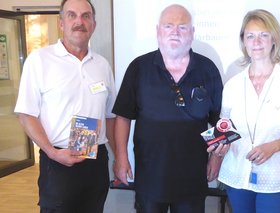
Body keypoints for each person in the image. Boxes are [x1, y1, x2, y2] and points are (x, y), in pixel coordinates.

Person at [112, 4, 227, 213]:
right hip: (150, 178)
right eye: (168, 26)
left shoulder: (207, 68)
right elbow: (123, 116)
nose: (175, 32)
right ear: (158, 31)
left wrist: (216, 157)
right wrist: (121, 157)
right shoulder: (139, 67)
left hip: (192, 178)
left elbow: (221, 120)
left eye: (182, 27)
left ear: (192, 33)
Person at [14, 0, 116, 212]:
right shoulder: (39, 60)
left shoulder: (102, 65)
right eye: (72, 15)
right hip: (58, 159)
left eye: (86, 16)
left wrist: (119, 158)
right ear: (61, 23)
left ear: (94, 25)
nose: (79, 22)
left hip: (96, 160)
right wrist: (51, 152)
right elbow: (26, 114)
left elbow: (110, 116)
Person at [217, 9, 280, 213]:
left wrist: (275, 146)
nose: (257, 42)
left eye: (264, 35)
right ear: (243, 41)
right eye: (250, 36)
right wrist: (219, 148)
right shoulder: (233, 85)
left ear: (274, 40)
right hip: (237, 174)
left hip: (276, 176)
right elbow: (224, 129)